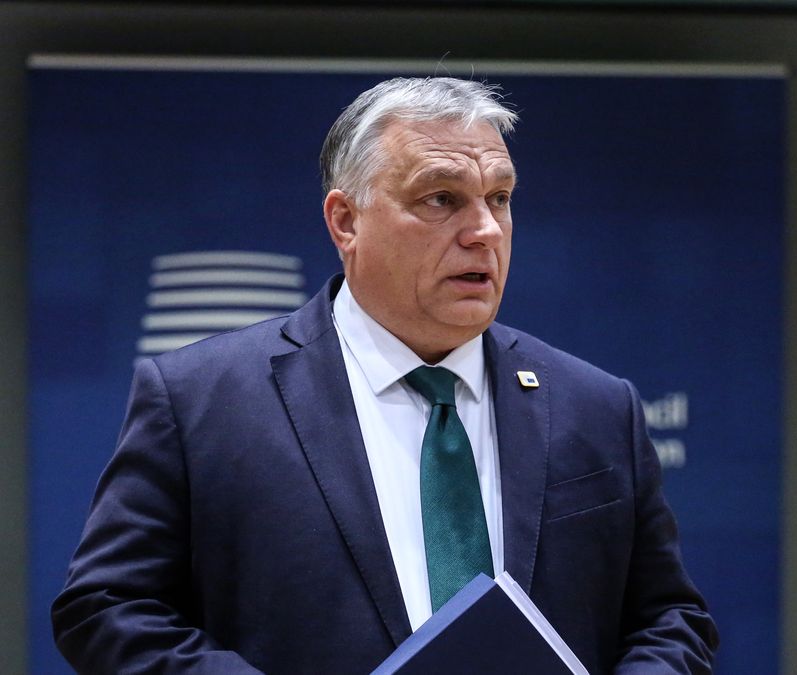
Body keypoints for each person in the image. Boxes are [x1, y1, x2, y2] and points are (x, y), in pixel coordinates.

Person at [52, 76, 718, 674]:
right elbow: (107, 608)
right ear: (346, 221)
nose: (485, 230)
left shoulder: (597, 406)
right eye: (441, 199)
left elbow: (670, 620)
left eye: (499, 198)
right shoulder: (200, 399)